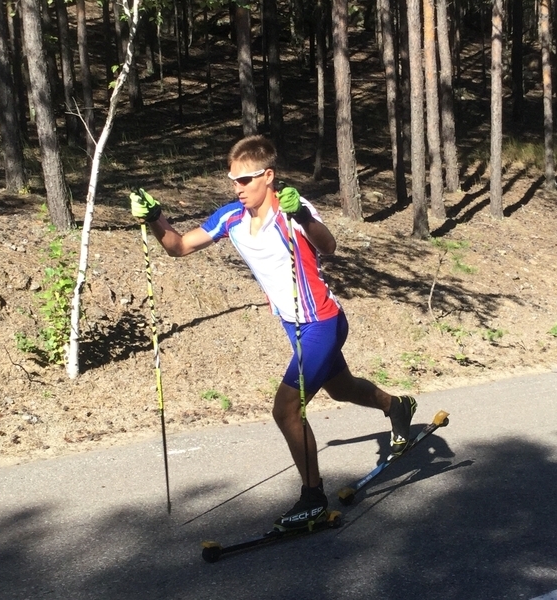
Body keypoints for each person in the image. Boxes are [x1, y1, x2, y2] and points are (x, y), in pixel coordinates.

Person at [131, 135, 416, 530]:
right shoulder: (231, 217)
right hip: (293, 324)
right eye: (233, 180)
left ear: (268, 176)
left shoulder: (292, 209)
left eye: (245, 180)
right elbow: (178, 246)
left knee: (286, 409)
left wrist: (303, 217)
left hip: (322, 322)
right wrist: (154, 217)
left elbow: (328, 246)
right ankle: (396, 406)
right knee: (341, 388)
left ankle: (313, 498)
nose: (238, 188)